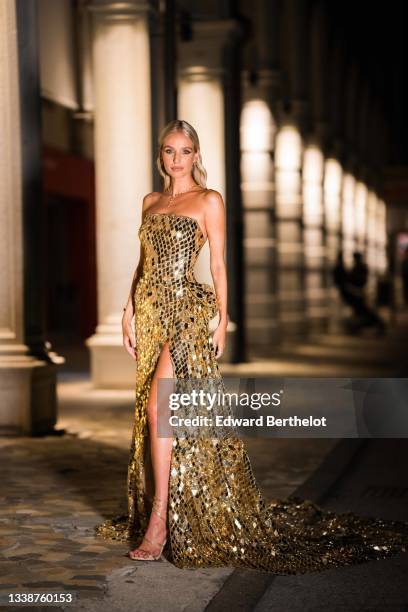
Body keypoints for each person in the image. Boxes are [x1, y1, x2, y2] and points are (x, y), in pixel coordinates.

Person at [95, 120, 408, 573]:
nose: (177, 159)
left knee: (157, 410)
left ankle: (160, 519)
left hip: (187, 310)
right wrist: (126, 309)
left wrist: (223, 318)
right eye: (169, 151)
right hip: (149, 312)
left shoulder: (209, 200)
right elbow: (143, 262)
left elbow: (219, 264)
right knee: (154, 409)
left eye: (185, 151)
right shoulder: (150, 202)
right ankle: (165, 507)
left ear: (197, 155)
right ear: (160, 155)